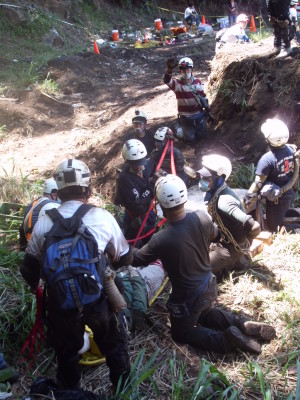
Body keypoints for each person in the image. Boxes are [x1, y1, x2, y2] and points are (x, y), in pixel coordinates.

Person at [20, 159, 132, 391]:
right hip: (96, 299)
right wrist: (105, 265)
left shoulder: (44, 223)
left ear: (58, 192)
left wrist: (37, 287)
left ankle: (71, 392)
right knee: (112, 344)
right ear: (89, 190)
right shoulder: (101, 217)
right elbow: (126, 257)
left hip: (60, 304)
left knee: (66, 353)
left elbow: (28, 269)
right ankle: (123, 388)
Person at [132, 174, 276, 354]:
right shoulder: (201, 217)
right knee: (205, 314)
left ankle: (224, 341)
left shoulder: (161, 239)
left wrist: (120, 249)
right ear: (184, 198)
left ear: (160, 204)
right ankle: (241, 324)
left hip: (187, 297)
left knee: (180, 333)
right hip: (208, 285)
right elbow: (216, 235)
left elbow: (137, 259)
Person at [197, 154, 261, 280]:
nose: (201, 180)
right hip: (222, 240)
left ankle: (236, 258)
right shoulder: (218, 191)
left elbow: (255, 227)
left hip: (229, 248)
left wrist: (243, 243)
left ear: (219, 178)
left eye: (206, 178)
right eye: (201, 176)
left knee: (198, 271)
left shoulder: (224, 202)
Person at [244, 119, 299, 233]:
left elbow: (258, 183)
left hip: (277, 198)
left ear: (268, 140)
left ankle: (294, 232)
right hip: (288, 192)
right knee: (282, 213)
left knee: (274, 227)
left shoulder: (267, 159)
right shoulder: (290, 149)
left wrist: (248, 196)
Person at [114, 139, 157, 246]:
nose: (139, 166)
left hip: (149, 214)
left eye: (141, 162)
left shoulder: (147, 165)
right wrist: (152, 185)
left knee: (151, 241)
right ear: (127, 162)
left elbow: (156, 159)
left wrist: (166, 141)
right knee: (134, 244)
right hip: (135, 218)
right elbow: (138, 207)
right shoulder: (125, 179)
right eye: (135, 164)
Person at [163, 57, 212, 144]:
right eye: (183, 70)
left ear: (191, 70)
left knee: (203, 137)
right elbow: (166, 80)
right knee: (189, 140)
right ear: (180, 71)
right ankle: (177, 128)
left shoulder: (198, 82)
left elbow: (202, 96)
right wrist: (169, 70)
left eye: (188, 69)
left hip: (199, 116)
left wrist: (208, 110)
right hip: (186, 118)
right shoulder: (176, 84)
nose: (186, 72)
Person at [118, 259, 166, 331]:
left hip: (125, 276)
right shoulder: (122, 319)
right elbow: (138, 310)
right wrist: (135, 276)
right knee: (159, 267)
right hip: (142, 284)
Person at [19, 178, 60, 251]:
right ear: (54, 194)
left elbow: (21, 229)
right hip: (38, 247)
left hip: (28, 246)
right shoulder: (53, 206)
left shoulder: (32, 204)